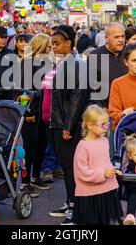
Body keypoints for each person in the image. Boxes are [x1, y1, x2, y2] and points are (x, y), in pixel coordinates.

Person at [47, 25, 90, 225]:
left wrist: (68, 126)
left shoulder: (77, 65)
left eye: (57, 43)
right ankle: (69, 201)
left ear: (68, 43)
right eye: (52, 43)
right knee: (66, 167)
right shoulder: (63, 63)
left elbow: (78, 98)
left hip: (67, 125)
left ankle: (76, 208)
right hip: (56, 123)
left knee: (72, 167)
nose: (53, 46)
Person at [73, 105, 122, 225]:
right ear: (89, 125)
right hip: (90, 195)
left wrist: (113, 170)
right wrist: (103, 173)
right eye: (102, 124)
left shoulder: (104, 141)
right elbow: (81, 173)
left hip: (107, 191)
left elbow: (105, 162)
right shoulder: (83, 146)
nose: (106, 127)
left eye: (107, 124)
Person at [18, 34, 53, 197]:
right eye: (48, 46)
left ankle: (35, 177)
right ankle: (24, 184)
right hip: (31, 112)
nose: (50, 49)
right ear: (40, 46)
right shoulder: (27, 63)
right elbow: (24, 90)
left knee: (41, 145)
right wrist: (29, 112)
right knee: (29, 149)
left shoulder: (47, 62)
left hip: (43, 112)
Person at [87, 22, 128, 158]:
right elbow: (90, 86)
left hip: (129, 112)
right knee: (107, 153)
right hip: (106, 112)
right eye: (116, 37)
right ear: (106, 38)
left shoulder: (129, 53)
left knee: (129, 152)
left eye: (122, 36)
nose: (121, 40)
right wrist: (100, 109)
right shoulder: (95, 56)